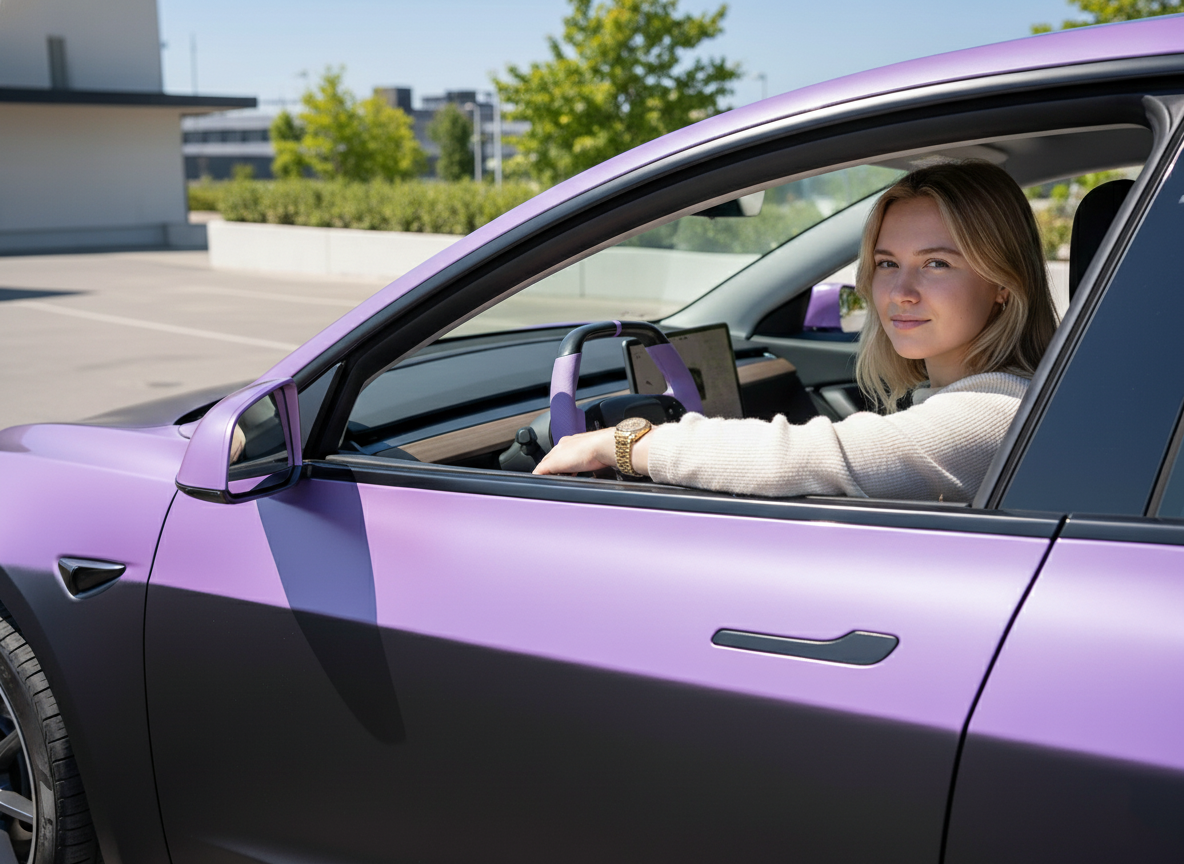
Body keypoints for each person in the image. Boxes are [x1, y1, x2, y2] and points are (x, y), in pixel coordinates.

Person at [533, 160, 1059, 502]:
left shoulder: (999, 412)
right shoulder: (986, 398)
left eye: (937, 264)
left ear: (1002, 283)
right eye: (886, 263)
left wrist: (618, 444)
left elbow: (811, 457)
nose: (901, 292)